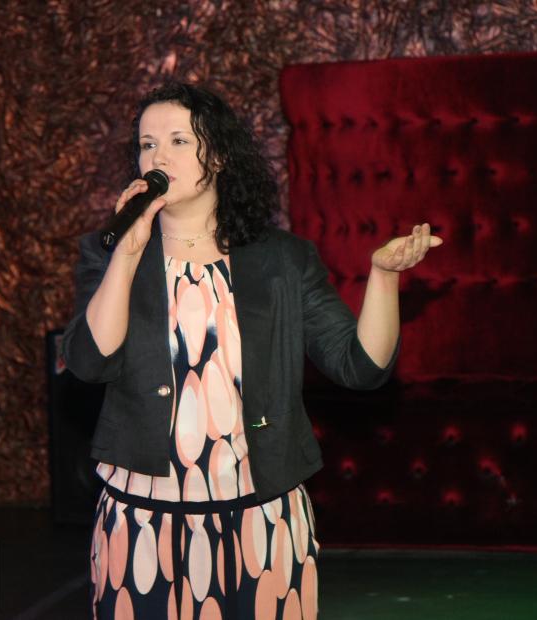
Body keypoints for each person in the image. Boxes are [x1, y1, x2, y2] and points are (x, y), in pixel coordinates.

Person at [63, 81, 441, 620]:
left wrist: (382, 278)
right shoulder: (108, 254)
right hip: (143, 521)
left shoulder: (283, 260)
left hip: (262, 518)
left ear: (218, 155)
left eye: (178, 141)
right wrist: (126, 253)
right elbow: (88, 362)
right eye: (147, 145)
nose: (158, 157)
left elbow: (361, 368)